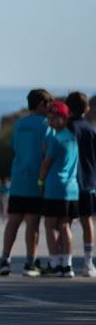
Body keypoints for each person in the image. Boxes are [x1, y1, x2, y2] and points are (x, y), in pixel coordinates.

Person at [0, 89, 52, 277]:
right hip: (36, 180)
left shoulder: (19, 125)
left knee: (13, 221)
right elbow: (49, 152)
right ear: (40, 105)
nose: (50, 108)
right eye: (48, 104)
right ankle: (30, 263)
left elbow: (14, 147)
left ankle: (5, 260)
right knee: (32, 223)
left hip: (18, 178)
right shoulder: (47, 125)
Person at [37, 100, 79, 277]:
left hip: (55, 187)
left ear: (64, 118)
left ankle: (54, 262)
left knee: (50, 225)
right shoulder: (72, 138)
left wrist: (40, 182)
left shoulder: (55, 138)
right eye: (49, 117)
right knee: (65, 225)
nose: (51, 121)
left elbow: (46, 164)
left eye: (55, 118)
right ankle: (67, 264)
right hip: (71, 188)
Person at [65, 92, 96, 277]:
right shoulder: (91, 130)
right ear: (87, 109)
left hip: (70, 182)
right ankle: (88, 262)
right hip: (90, 182)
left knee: (65, 222)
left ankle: (65, 262)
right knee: (87, 222)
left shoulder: (68, 128)